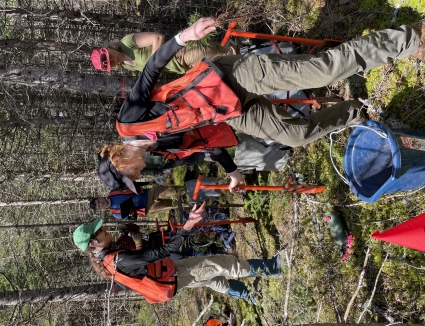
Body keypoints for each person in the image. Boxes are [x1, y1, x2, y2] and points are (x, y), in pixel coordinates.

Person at [98, 18, 425, 193]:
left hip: (229, 76)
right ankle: (354, 111)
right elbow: (206, 145)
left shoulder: (129, 122)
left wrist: (185, 36)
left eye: (129, 177)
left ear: (119, 162)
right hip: (232, 110)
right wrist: (234, 173)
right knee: (294, 136)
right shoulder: (157, 149)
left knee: (323, 69)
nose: (137, 177)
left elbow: (153, 66)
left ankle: (412, 38)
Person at [73, 202, 283, 304]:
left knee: (212, 278)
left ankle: (250, 296)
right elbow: (165, 251)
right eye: (99, 231)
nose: (104, 229)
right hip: (173, 275)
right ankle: (271, 269)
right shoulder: (118, 259)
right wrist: (189, 224)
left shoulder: (107, 264)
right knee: (223, 263)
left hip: (168, 281)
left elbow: (137, 273)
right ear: (93, 244)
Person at [90, 31, 235, 74]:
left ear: (107, 49)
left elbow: (157, 37)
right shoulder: (128, 66)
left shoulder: (127, 42)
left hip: (184, 53)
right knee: (228, 68)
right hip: (183, 68)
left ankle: (255, 53)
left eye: (109, 57)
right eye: (110, 63)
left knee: (232, 59)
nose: (113, 60)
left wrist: (154, 61)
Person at [89, 183, 185, 220]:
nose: (100, 203)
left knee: (167, 190)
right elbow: (133, 218)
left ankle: (186, 190)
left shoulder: (113, 191)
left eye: (98, 201)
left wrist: (147, 183)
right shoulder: (115, 213)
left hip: (146, 194)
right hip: (147, 208)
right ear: (101, 209)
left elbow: (131, 184)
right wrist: (131, 214)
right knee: (172, 204)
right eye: (98, 206)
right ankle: (191, 203)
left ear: (99, 197)